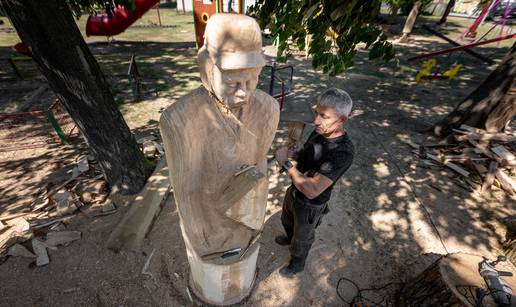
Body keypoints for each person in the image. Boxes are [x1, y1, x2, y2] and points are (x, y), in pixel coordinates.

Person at [159, 14, 279, 304]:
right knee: (210, 267)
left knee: (243, 255)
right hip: (206, 225)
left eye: (252, 81)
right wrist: (202, 238)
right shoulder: (180, 119)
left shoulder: (268, 108)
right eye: (233, 81)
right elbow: (186, 192)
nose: (244, 92)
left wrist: (251, 215)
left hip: (245, 218)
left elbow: (260, 164)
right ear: (206, 66)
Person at [274, 88, 355, 278]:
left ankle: (297, 263)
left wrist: (285, 163)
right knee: (287, 219)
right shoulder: (319, 132)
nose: (316, 121)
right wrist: (294, 154)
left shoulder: (343, 152)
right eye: (316, 113)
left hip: (310, 204)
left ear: (342, 120)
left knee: (302, 237)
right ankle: (288, 236)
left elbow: (312, 190)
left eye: (324, 117)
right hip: (295, 190)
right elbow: (309, 154)